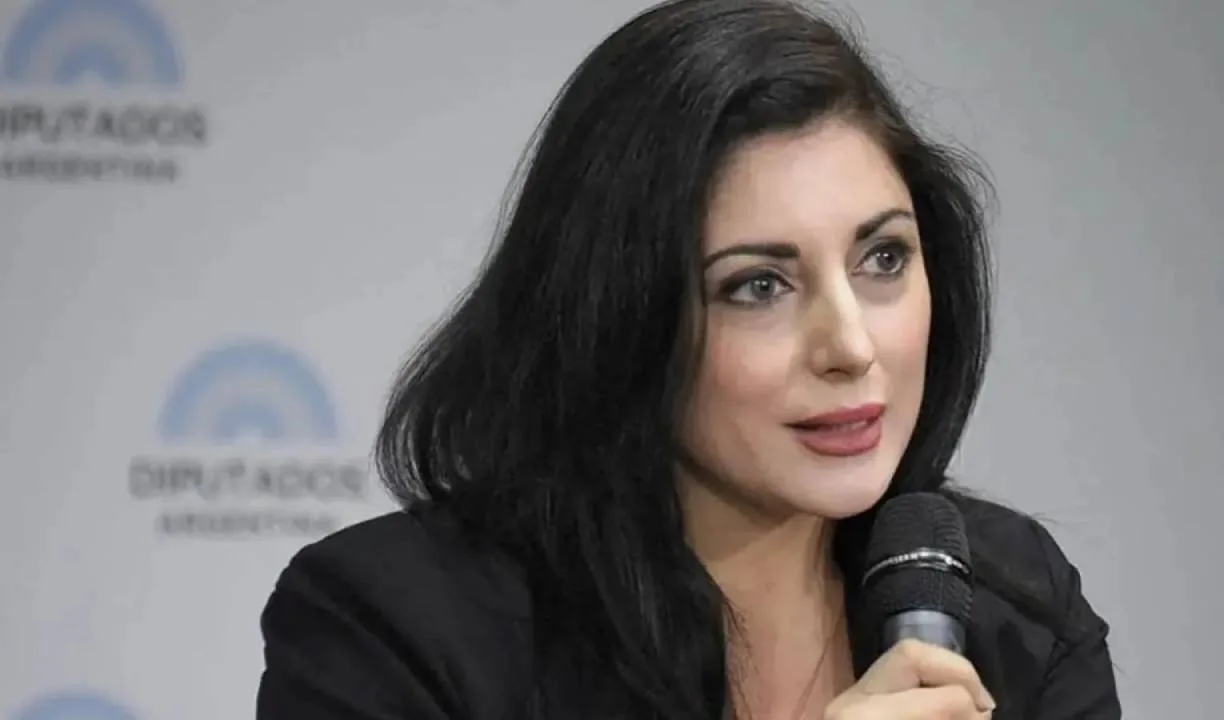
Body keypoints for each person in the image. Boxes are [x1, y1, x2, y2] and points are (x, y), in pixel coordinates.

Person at [255, 0, 1121, 718]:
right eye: (758, 286)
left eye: (883, 259)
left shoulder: (1015, 609)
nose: (851, 347)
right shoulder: (395, 628)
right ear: (620, 314)